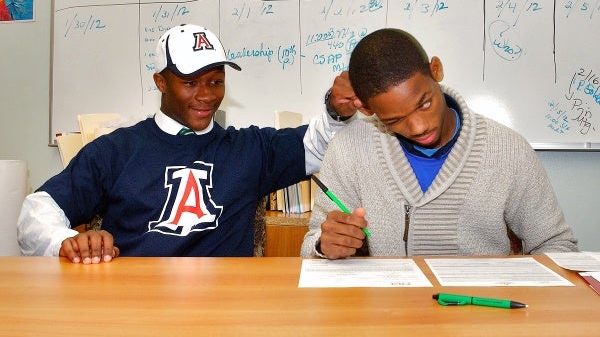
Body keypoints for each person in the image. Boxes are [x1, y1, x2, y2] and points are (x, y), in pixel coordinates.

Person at [18, 24, 359, 264]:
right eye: (190, 82)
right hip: (135, 306)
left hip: (224, 310)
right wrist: (67, 242)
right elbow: (36, 211)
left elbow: (318, 145)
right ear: (161, 82)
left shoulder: (249, 150)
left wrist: (335, 107)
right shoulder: (116, 151)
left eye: (216, 81)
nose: (207, 95)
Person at [301, 28, 578, 259]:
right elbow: (311, 245)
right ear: (368, 110)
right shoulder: (349, 150)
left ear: (436, 70)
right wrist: (323, 246)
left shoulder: (507, 149)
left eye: (425, 103)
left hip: (483, 312)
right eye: (395, 120)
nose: (419, 127)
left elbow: (557, 245)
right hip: (390, 316)